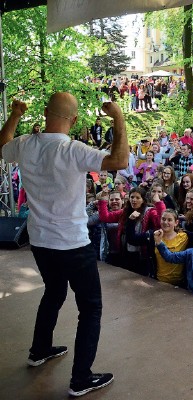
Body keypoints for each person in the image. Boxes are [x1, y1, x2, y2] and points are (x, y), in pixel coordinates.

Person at [0, 94, 127, 396]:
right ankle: (81, 378)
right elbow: (119, 161)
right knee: (91, 308)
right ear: (73, 120)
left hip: (40, 241)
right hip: (72, 242)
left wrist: (16, 114)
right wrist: (119, 118)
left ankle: (39, 350)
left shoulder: (26, 144)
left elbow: (1, 145)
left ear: (45, 113)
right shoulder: (72, 150)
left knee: (54, 291)